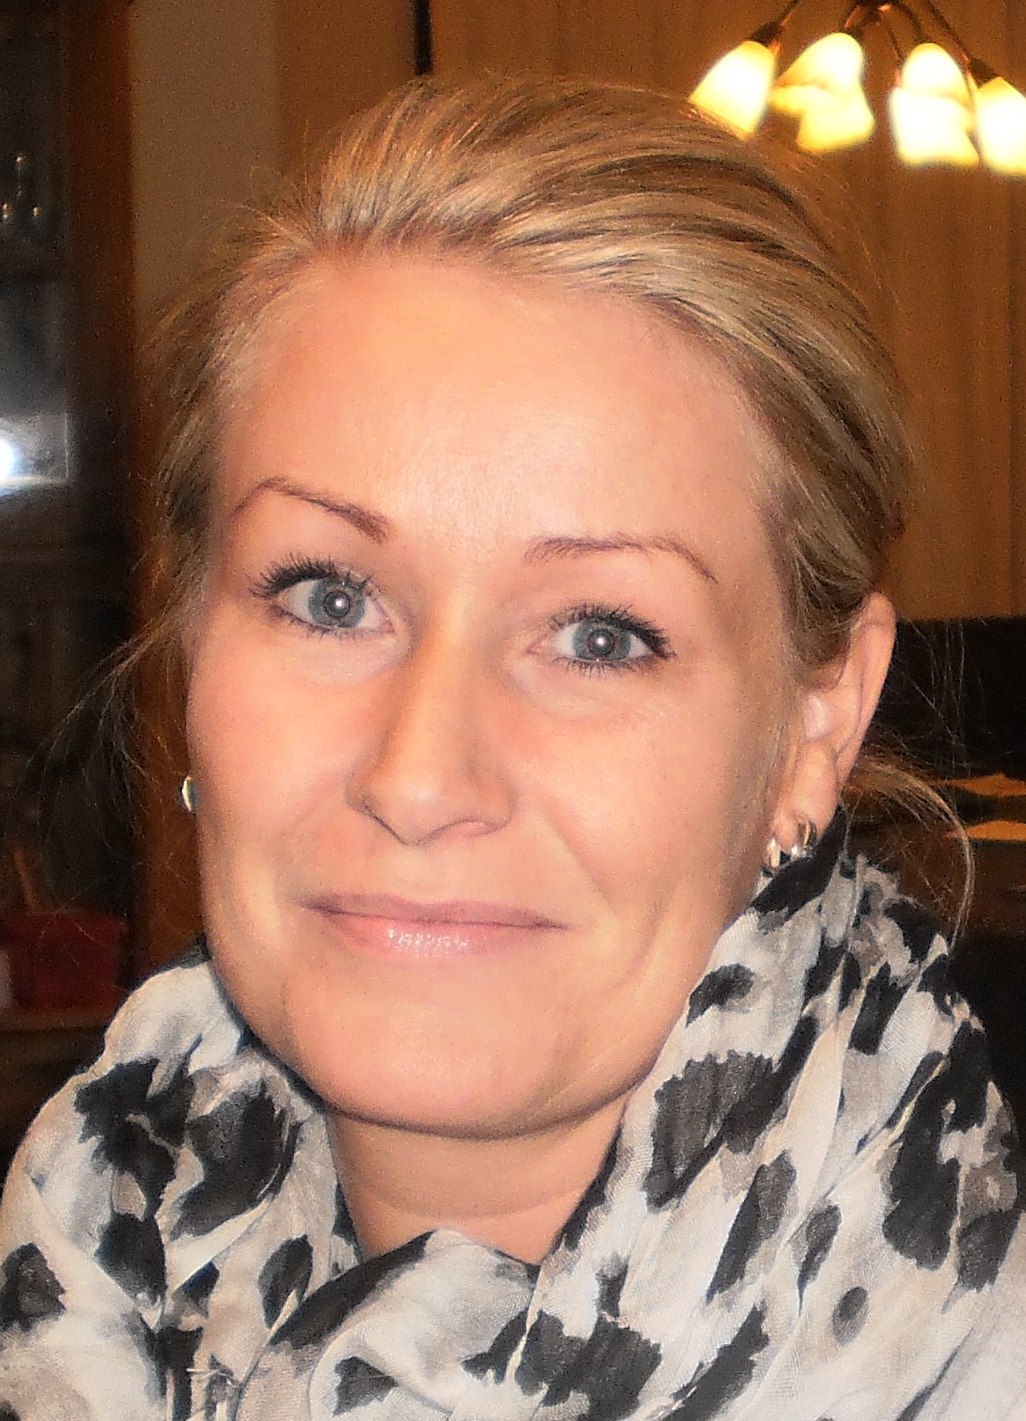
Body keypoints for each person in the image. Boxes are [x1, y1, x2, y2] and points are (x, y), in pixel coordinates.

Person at [1, 74, 1023, 1421]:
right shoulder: (77, 1258)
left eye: (599, 635)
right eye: (329, 597)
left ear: (815, 720)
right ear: (191, 639)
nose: (419, 777)